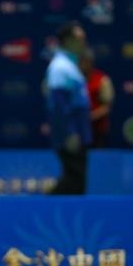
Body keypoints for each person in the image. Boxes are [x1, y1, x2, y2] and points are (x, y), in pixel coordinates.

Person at [44, 21, 92, 194]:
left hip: (78, 134)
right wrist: (70, 133)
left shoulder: (70, 65)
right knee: (73, 182)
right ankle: (42, 205)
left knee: (76, 183)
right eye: (80, 38)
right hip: (70, 137)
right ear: (67, 41)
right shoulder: (60, 67)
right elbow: (59, 105)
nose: (84, 42)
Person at [79, 48, 114, 148]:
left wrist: (89, 117)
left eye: (86, 61)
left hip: (97, 131)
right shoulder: (73, 79)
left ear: (91, 62)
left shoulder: (102, 80)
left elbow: (106, 107)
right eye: (81, 61)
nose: (83, 65)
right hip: (77, 131)